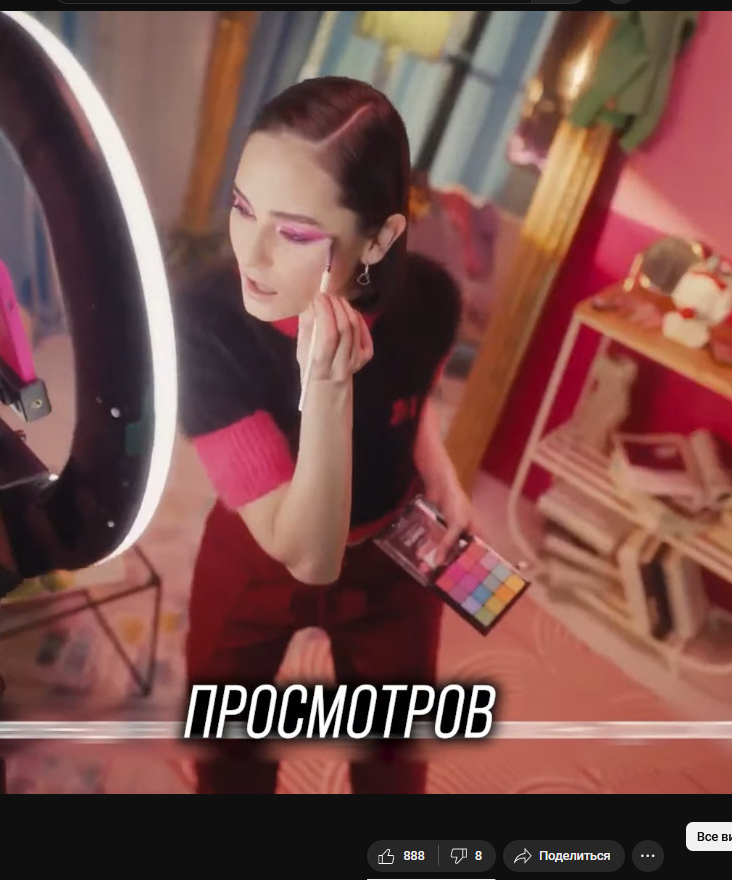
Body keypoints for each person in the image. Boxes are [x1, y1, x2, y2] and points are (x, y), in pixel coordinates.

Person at [174, 76, 470, 794]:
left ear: (379, 239)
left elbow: (414, 397)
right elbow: (305, 554)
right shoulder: (208, 322)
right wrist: (330, 387)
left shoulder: (430, 298)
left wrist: (442, 474)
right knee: (227, 745)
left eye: (295, 233)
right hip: (261, 541)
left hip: (394, 544)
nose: (250, 256)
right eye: (243, 207)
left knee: (395, 759)